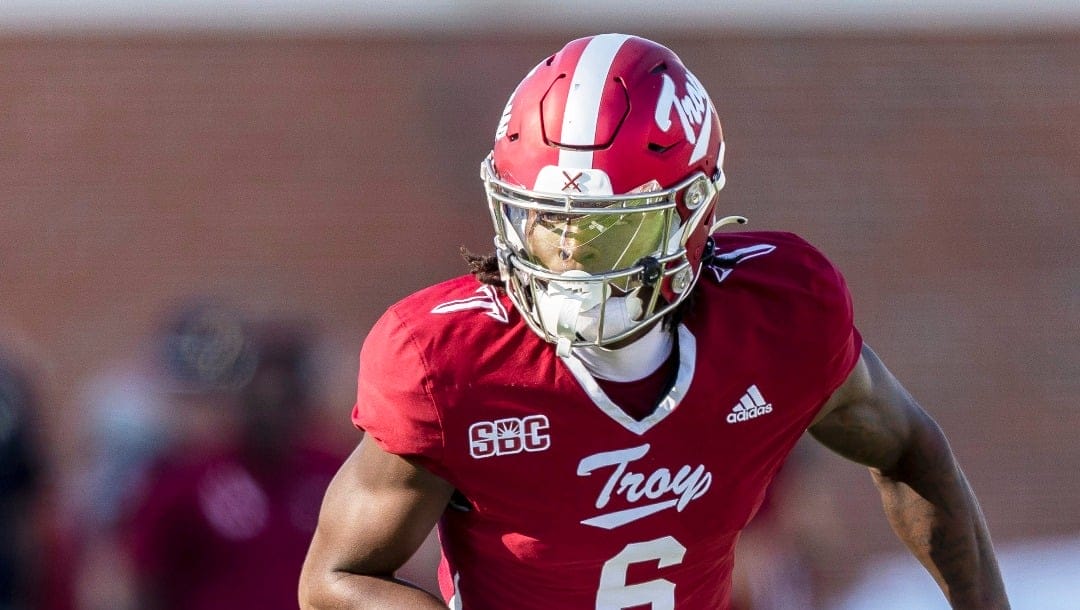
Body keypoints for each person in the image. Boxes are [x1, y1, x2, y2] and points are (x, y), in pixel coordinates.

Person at [299, 33, 1009, 609]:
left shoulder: (778, 313)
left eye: (609, 230)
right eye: (547, 222)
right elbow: (333, 580)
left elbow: (911, 451)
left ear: (690, 214)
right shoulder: (450, 359)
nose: (571, 260)